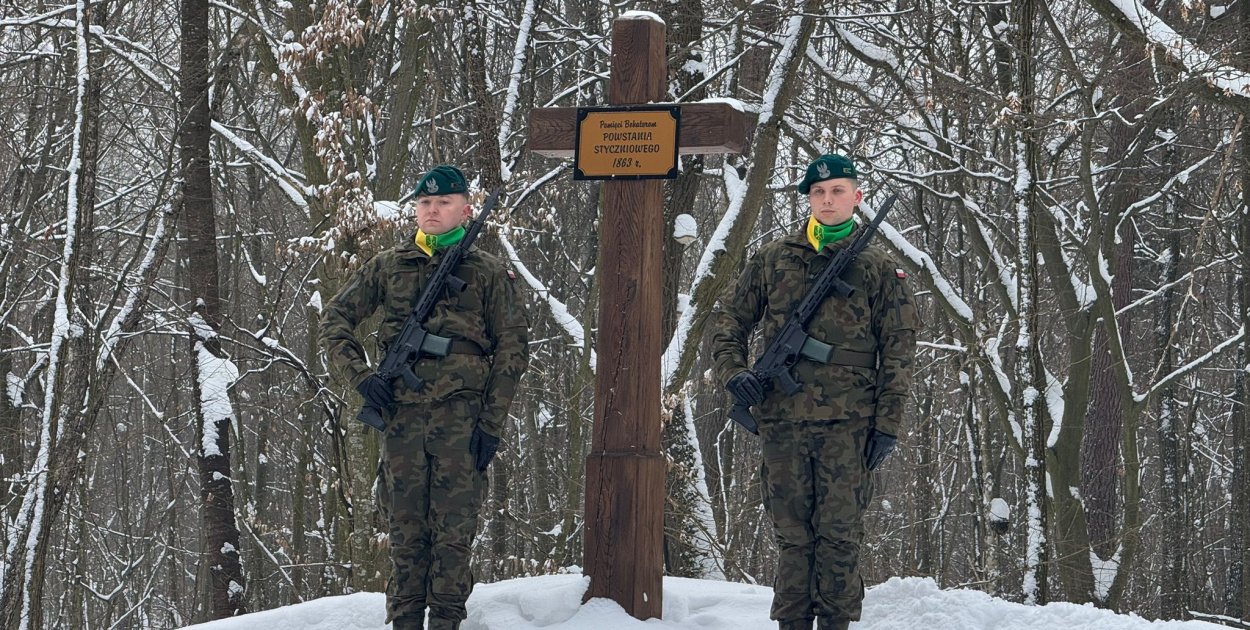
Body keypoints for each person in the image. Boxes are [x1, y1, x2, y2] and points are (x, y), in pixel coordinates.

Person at [711, 154, 918, 630]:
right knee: (792, 538)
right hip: (781, 422)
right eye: (819, 193)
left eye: (838, 191)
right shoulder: (775, 258)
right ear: (808, 198)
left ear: (856, 196)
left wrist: (887, 424)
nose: (827, 200)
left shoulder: (879, 269)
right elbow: (729, 321)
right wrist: (733, 373)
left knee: (840, 538)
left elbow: (899, 352)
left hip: (850, 426)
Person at [319, 165, 530, 630]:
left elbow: (513, 350)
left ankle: (447, 623)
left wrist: (491, 424)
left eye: (443, 203)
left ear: (465, 210)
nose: (432, 210)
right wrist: (360, 378)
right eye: (424, 203)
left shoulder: (489, 272)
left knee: (453, 536)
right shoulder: (388, 266)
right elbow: (334, 321)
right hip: (402, 421)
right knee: (404, 536)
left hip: (462, 421)